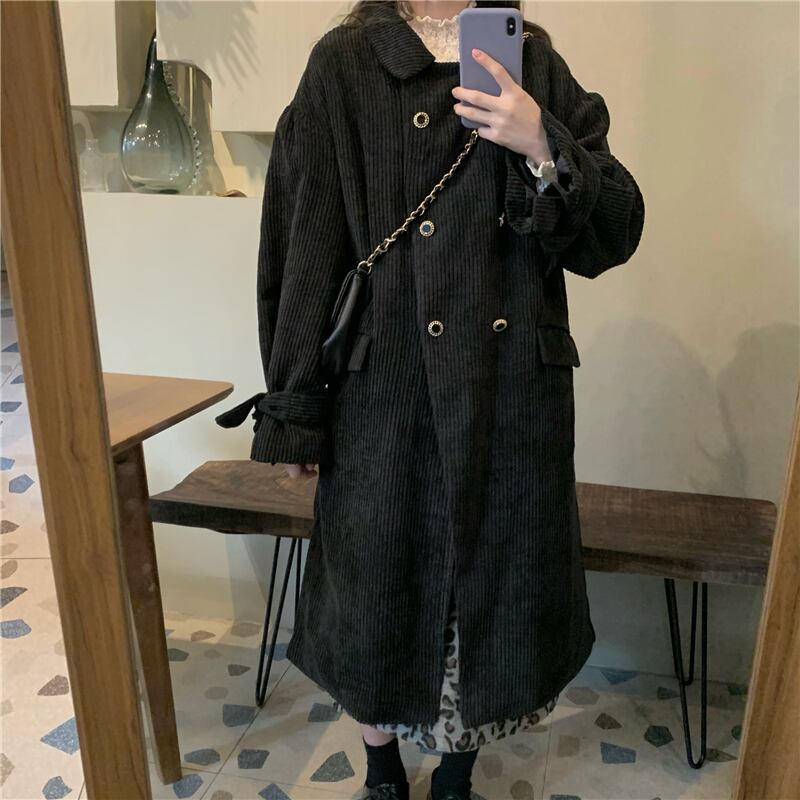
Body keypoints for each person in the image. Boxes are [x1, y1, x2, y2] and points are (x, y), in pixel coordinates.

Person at [217, 1, 645, 798]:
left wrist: (541, 142)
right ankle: (381, 767)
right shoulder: (346, 63)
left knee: (485, 595)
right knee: (376, 588)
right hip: (384, 393)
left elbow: (614, 234)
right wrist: (294, 410)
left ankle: (455, 772)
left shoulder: (531, 62)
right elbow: (305, 241)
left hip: (509, 393)